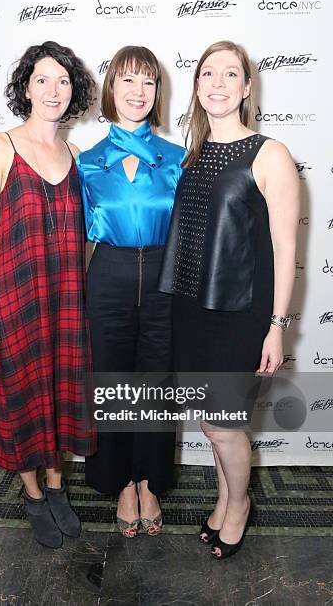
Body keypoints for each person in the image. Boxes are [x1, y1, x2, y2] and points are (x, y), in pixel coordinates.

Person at [159, 41, 299, 558]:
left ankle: (239, 507)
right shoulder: (194, 155)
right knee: (212, 424)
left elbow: (286, 249)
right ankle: (224, 499)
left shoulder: (270, 153)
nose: (217, 83)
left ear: (245, 88)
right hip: (192, 310)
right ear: (197, 87)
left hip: (240, 317)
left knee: (224, 425)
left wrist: (277, 325)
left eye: (230, 74)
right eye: (208, 74)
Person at [0, 41, 96, 549]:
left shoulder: (79, 155)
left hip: (66, 298)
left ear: (73, 92)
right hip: (14, 297)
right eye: (42, 79)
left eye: (63, 81)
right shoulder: (0, 147)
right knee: (22, 398)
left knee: (62, 394)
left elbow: (89, 232)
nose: (53, 90)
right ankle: (33, 494)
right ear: (26, 88)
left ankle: (59, 487)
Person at [77, 46, 186, 537]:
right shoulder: (87, 161)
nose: (138, 92)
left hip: (166, 277)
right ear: (111, 90)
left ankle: (149, 481)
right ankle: (121, 482)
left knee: (155, 386)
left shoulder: (179, 157)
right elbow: (68, 228)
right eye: (127, 81)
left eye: (148, 82)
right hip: (108, 276)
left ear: (157, 92)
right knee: (114, 382)